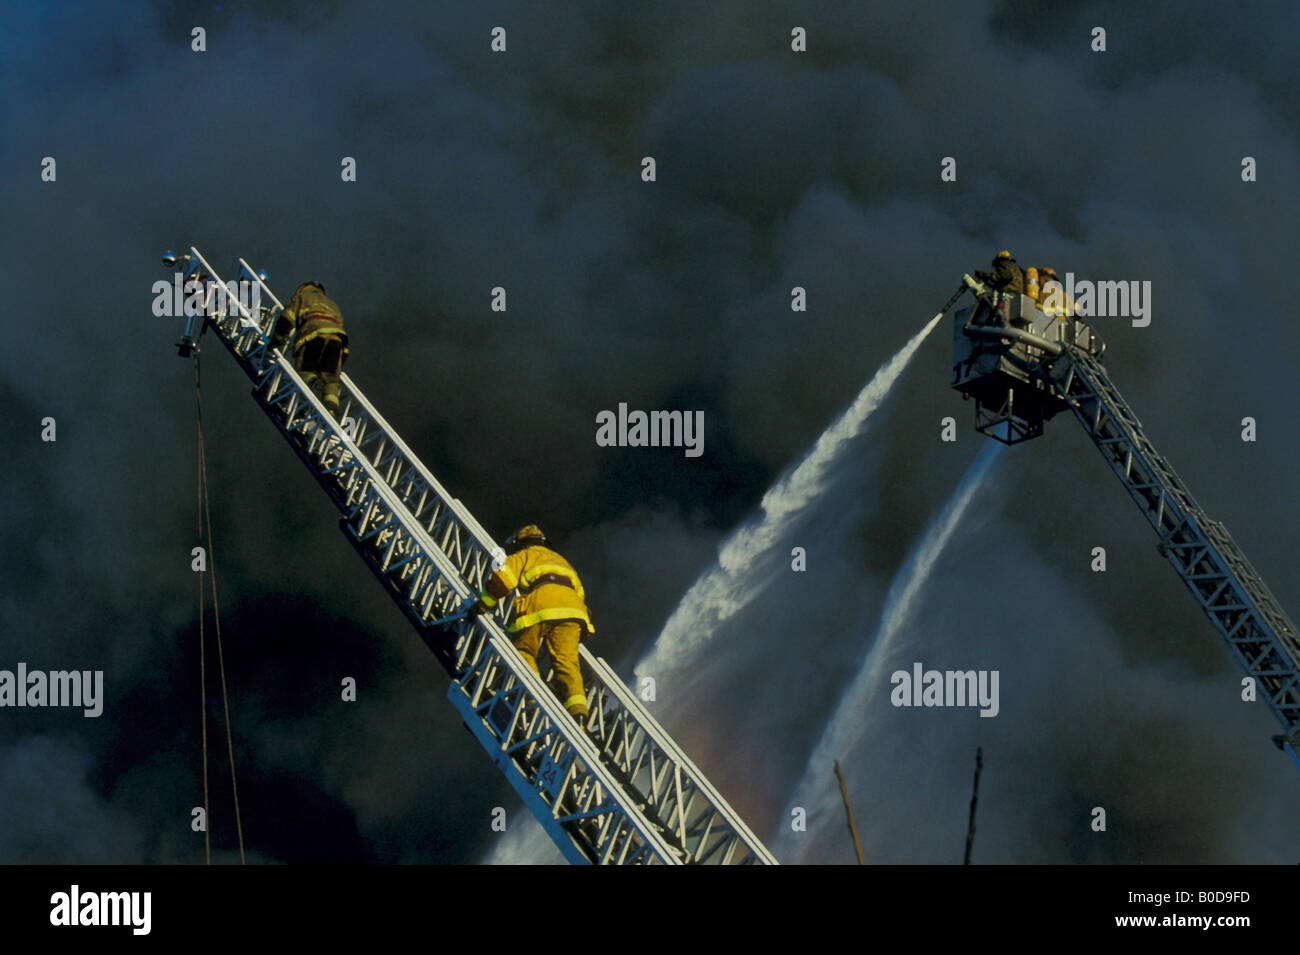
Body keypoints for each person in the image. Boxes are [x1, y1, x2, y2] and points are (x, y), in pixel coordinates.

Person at [472, 526, 595, 719]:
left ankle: (533, 701)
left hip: (540, 606)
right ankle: (578, 714)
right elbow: (579, 595)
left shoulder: (523, 556)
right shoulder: (563, 562)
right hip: (573, 612)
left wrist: (482, 605)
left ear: (519, 543)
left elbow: (503, 581)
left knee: (523, 651)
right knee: (568, 664)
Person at [269, 281, 349, 420]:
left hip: (312, 336)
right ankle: (330, 410)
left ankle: (304, 401)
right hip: (337, 341)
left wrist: (276, 340)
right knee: (331, 380)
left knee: (306, 372)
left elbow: (287, 319)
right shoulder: (333, 304)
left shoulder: (301, 297)